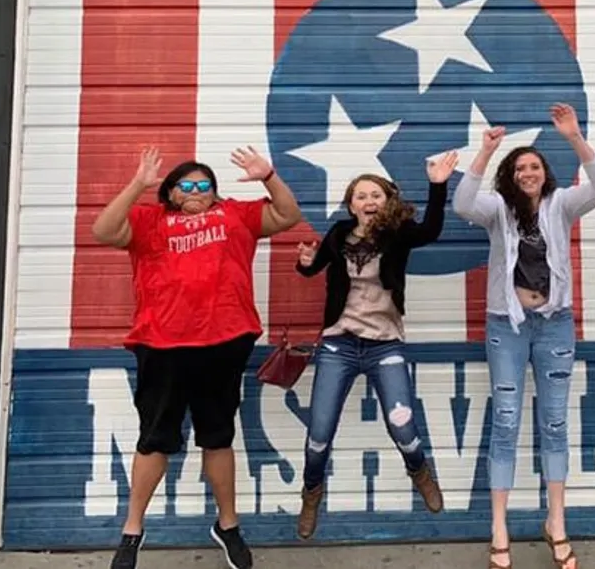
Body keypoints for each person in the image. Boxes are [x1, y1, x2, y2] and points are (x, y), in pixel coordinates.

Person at [92, 145, 302, 569]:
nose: (195, 190)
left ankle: (227, 525)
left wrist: (269, 176)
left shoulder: (235, 215)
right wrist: (137, 185)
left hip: (224, 341)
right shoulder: (150, 221)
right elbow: (103, 231)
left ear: (214, 192)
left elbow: (287, 215)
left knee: (218, 435)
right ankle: (132, 531)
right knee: (155, 439)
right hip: (162, 344)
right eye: (185, 185)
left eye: (203, 184)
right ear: (170, 193)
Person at [452, 103, 595, 569]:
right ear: (510, 174)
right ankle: (499, 528)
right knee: (505, 422)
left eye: (535, 167)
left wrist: (574, 137)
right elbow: (463, 203)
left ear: (546, 174)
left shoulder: (562, 204)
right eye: (520, 167)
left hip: (555, 324)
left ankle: (556, 522)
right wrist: (484, 153)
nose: (528, 173)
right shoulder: (497, 210)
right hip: (507, 326)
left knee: (556, 423)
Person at [293, 151, 459, 540]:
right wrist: (304, 262)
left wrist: (438, 185)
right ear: (351, 205)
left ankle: (418, 469)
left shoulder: (397, 235)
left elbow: (432, 230)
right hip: (340, 345)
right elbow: (313, 268)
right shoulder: (337, 235)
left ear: (388, 201)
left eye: (376, 195)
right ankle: (312, 491)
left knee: (403, 427)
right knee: (318, 434)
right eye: (360, 196)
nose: (368, 202)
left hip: (385, 345)